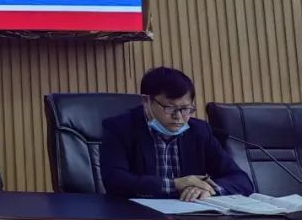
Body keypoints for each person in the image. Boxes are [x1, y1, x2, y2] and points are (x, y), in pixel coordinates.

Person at [101, 67, 253, 200]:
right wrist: (175, 184)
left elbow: (241, 180)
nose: (178, 117)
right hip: (138, 216)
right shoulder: (120, 128)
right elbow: (115, 181)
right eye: (170, 108)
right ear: (146, 102)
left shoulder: (200, 131)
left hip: (189, 215)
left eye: (185, 109)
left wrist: (208, 190)